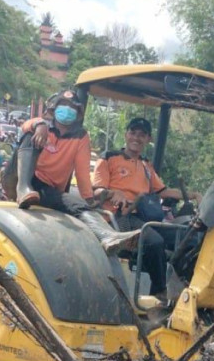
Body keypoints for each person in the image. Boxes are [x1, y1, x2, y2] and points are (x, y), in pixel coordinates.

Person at [13, 88, 138, 253]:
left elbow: (82, 172)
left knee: (79, 206)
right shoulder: (43, 125)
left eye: (71, 107)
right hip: (28, 179)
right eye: (63, 105)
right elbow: (25, 127)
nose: (67, 110)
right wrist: (39, 124)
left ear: (78, 113)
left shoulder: (80, 137)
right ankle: (23, 188)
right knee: (31, 134)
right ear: (54, 108)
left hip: (48, 189)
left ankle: (107, 235)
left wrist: (88, 199)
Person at [93, 117, 200, 299]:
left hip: (143, 217)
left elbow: (163, 191)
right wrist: (112, 193)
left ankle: (185, 286)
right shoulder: (109, 158)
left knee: (190, 238)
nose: (136, 137)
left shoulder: (146, 166)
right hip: (119, 217)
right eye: (133, 133)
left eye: (142, 134)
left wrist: (194, 195)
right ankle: (159, 291)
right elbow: (96, 191)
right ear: (126, 134)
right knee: (155, 241)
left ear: (148, 139)